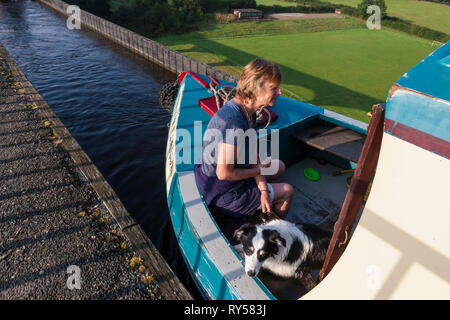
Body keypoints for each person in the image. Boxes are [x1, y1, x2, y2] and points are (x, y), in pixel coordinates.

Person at [195, 58, 294, 219]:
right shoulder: (234, 121)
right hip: (222, 191)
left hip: (234, 175)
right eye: (274, 88)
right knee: (287, 191)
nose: (280, 92)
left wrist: (263, 190)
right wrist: (258, 171)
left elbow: (252, 155)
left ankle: (263, 200)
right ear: (256, 89)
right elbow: (224, 174)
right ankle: (273, 227)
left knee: (280, 167)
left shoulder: (250, 112)